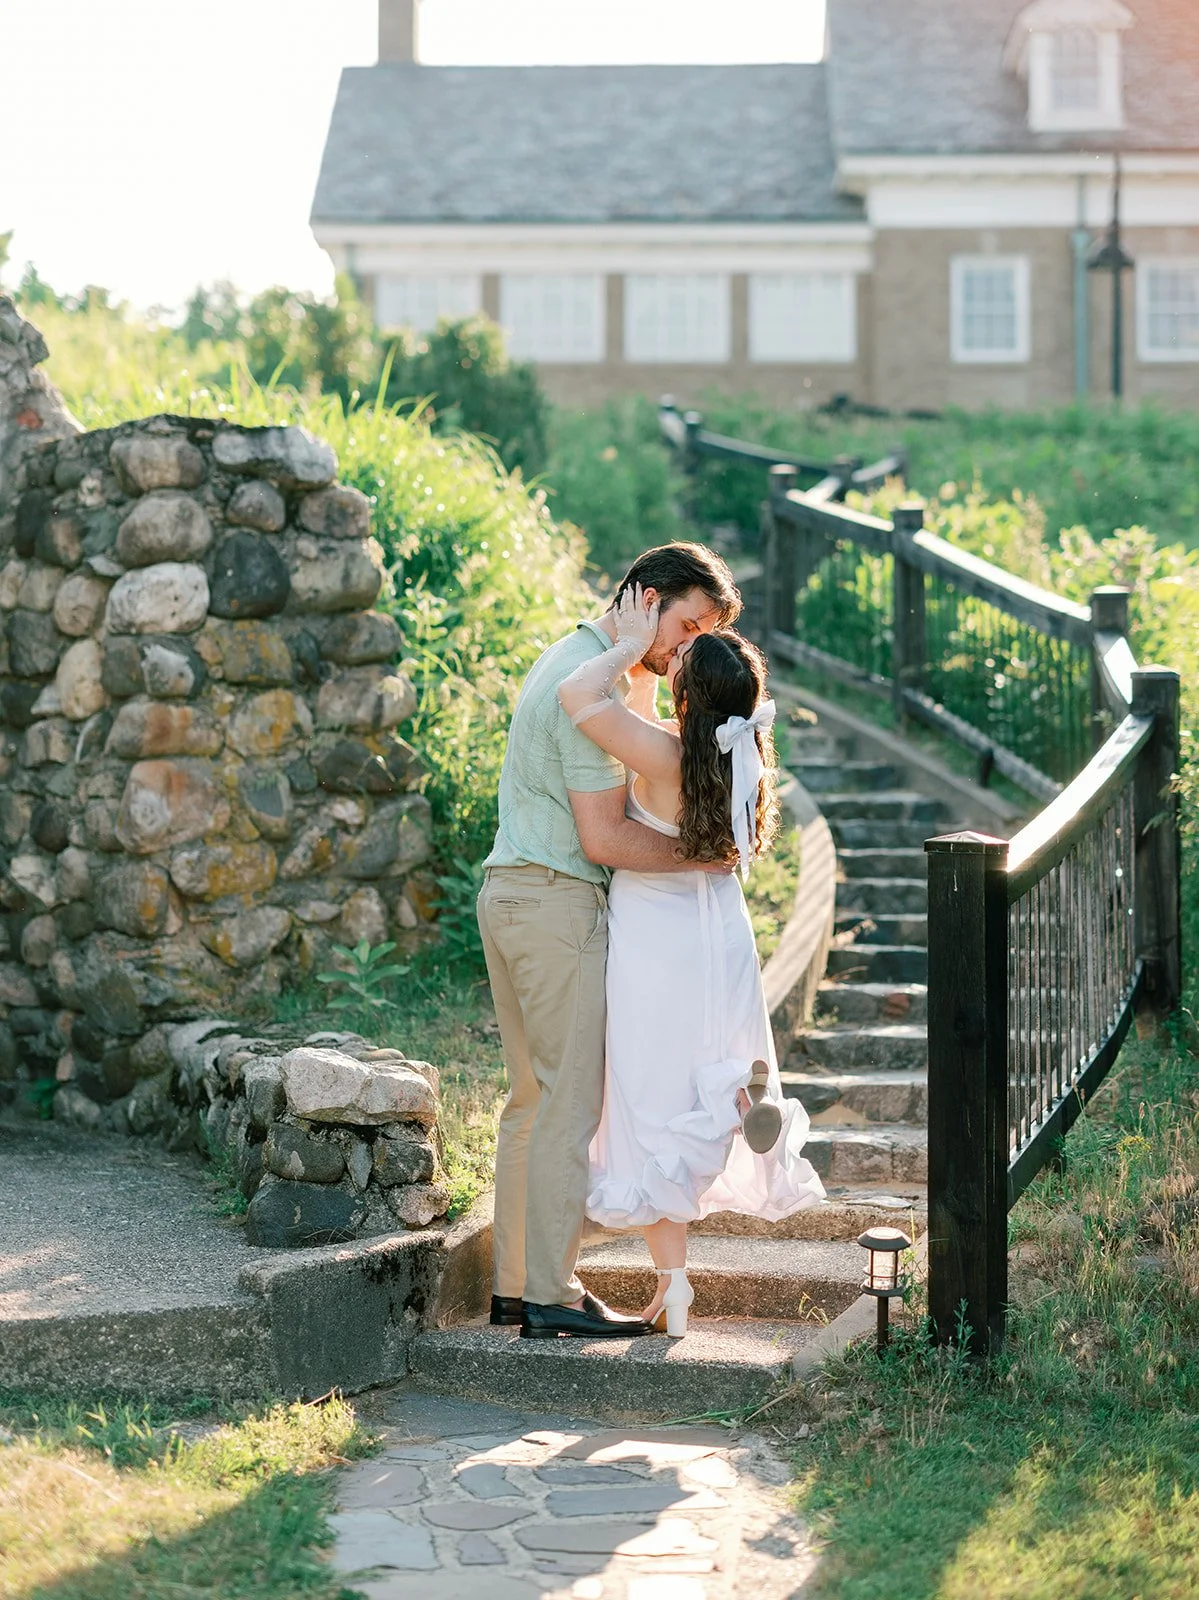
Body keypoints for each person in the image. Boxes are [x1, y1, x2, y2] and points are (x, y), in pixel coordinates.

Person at [477, 543, 741, 1340]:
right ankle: (551, 1297)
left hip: (516, 895)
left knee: (532, 1101)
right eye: (686, 624)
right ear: (644, 599)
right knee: (567, 1105)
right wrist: (707, 857)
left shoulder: (582, 663)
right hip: (555, 903)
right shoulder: (592, 678)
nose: (686, 647)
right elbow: (605, 839)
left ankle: (519, 1287)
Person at [558, 588, 825, 1338]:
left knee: (649, 1099)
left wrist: (627, 642)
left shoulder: (663, 753)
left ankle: (676, 1280)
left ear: (687, 690)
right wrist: (655, 669)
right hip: (723, 934)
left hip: (658, 936)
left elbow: (576, 691)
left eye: (677, 660)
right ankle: (739, 1103)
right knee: (714, 1054)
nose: (666, 659)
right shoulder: (744, 752)